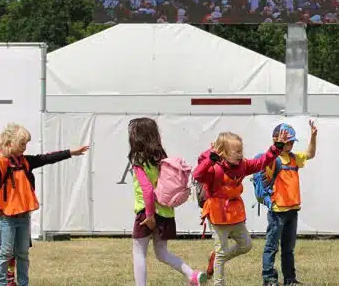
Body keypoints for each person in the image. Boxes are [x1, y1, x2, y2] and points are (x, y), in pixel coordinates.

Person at [194, 129, 290, 286]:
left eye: (241, 150)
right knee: (221, 250)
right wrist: (209, 161)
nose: (240, 154)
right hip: (218, 215)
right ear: (223, 153)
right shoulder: (214, 168)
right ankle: (219, 282)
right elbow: (197, 175)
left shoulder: (243, 165)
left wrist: (277, 146)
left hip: (235, 214)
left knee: (246, 245)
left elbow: (262, 162)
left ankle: (217, 257)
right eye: (236, 151)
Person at [0, 123, 89, 286]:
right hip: (6, 218)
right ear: (10, 143)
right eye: (22, 144)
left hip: (24, 216)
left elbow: (46, 158)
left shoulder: (25, 162)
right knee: (5, 254)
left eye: (26, 144)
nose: (25, 148)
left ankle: (23, 283)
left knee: (23, 254)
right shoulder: (1, 163)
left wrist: (70, 152)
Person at [128, 118, 213, 286]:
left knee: (139, 252)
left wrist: (150, 215)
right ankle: (192, 275)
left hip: (147, 212)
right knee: (162, 253)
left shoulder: (139, 160)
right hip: (166, 212)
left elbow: (147, 190)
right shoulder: (160, 156)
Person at [261, 121, 317, 286]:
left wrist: (313, 137)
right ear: (276, 141)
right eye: (288, 142)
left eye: (292, 142)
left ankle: (290, 279)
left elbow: (310, 154)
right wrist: (277, 145)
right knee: (272, 246)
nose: (291, 144)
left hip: (292, 209)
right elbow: (267, 161)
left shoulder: (294, 159)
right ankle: (269, 279)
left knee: (288, 248)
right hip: (277, 210)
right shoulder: (273, 159)